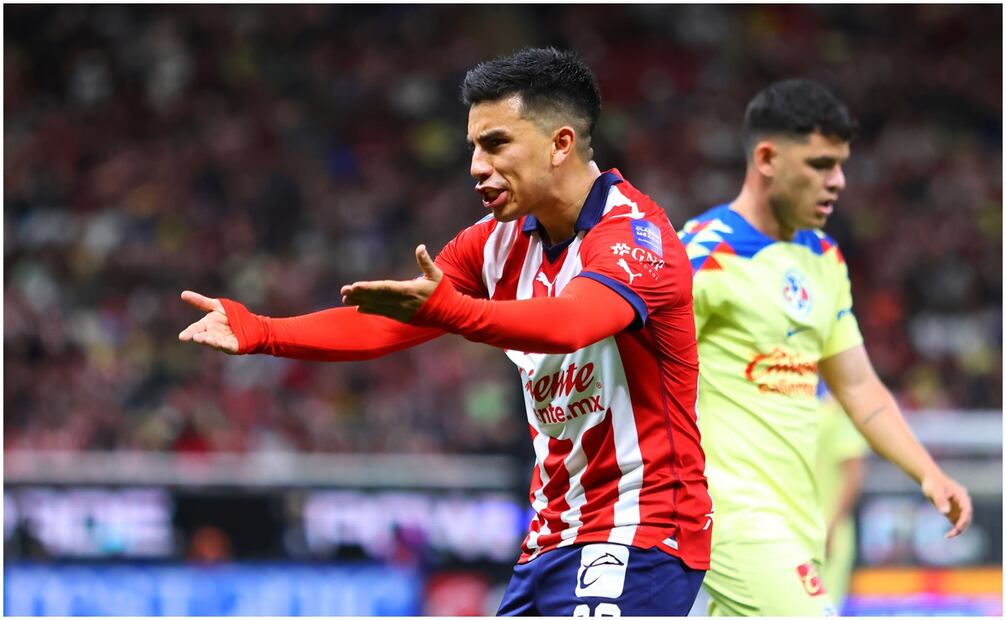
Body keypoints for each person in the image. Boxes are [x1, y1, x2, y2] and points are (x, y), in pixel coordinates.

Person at [179, 47, 711, 616]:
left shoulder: (635, 235)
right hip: (551, 537)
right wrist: (262, 332)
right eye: (473, 147)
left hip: (642, 529)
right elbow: (387, 325)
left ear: (560, 144)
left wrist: (453, 312)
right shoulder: (495, 241)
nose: (477, 166)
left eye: (496, 144)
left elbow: (573, 322)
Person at [678, 79, 973, 616]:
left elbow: (858, 386)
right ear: (766, 158)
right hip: (732, 518)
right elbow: (632, 371)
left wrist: (927, 473)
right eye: (819, 164)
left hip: (800, 524)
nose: (837, 181)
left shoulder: (824, 257)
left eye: (840, 165)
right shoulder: (702, 255)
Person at [815, 383, 869, 611]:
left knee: (822, 609)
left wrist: (831, 527)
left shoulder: (838, 408)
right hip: (791, 529)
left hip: (829, 534)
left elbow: (853, 475)